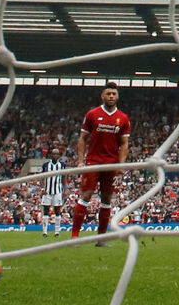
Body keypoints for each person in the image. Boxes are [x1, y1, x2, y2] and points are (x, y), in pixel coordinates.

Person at [69, 81, 130, 245]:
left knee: (107, 198)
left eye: (114, 94)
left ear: (118, 97)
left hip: (111, 164)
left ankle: (101, 238)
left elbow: (124, 143)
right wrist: (80, 161)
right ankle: (75, 236)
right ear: (102, 96)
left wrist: (121, 164)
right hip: (93, 162)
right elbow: (83, 138)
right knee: (86, 195)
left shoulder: (123, 118)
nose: (111, 96)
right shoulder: (92, 114)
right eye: (108, 93)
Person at [39, 148, 66, 237]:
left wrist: (65, 190)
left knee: (57, 211)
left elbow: (64, 178)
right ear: (51, 155)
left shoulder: (62, 165)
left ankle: (57, 232)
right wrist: (42, 189)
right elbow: (42, 178)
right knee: (46, 211)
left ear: (59, 155)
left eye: (57, 154)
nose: (55, 155)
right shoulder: (46, 165)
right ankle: (45, 232)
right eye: (53, 154)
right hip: (47, 191)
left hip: (57, 191)